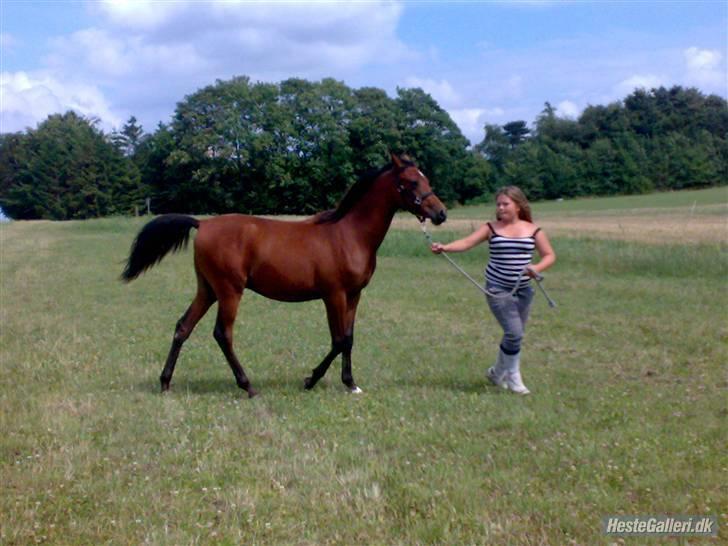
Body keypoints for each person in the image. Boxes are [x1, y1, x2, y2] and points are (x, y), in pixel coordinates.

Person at [430, 186, 556, 394]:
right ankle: (514, 378)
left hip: (524, 290)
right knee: (514, 332)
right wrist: (445, 247)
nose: (500, 207)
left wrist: (537, 268)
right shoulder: (491, 228)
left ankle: (496, 373)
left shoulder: (533, 230)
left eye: (505, 204)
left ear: (518, 205)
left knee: (514, 335)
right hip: (497, 289)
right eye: (498, 204)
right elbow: (467, 242)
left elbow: (549, 255)